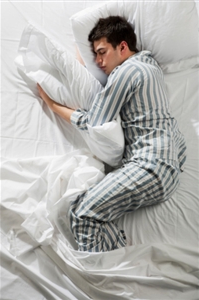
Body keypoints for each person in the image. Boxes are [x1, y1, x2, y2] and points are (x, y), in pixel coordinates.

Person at [37, 16, 186, 252]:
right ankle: (118, 250)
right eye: (95, 55)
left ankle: (115, 269)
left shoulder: (127, 72)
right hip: (170, 167)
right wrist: (85, 67)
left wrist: (53, 105)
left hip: (150, 167)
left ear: (123, 47)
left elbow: (95, 120)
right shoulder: (151, 68)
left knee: (82, 214)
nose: (98, 61)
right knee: (85, 209)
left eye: (102, 52)